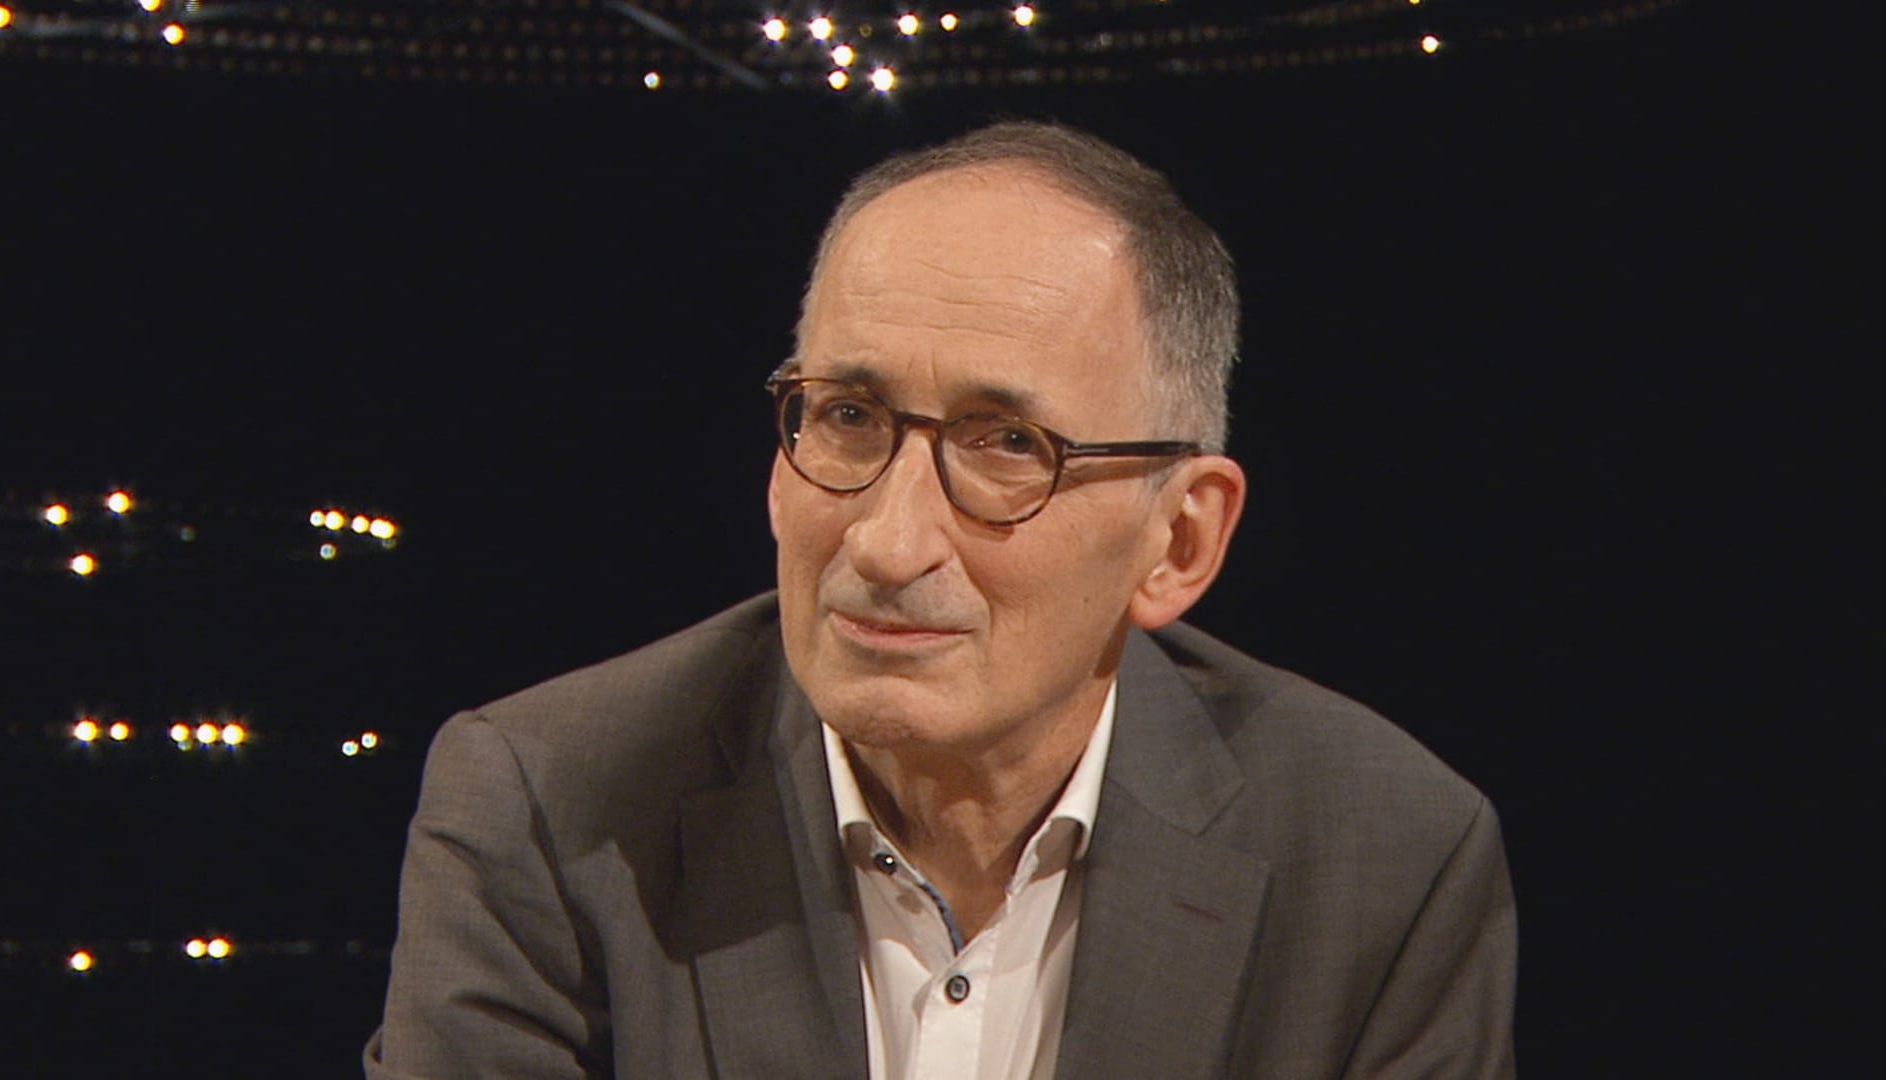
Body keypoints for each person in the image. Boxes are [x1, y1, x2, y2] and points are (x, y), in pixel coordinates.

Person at [365, 121, 1516, 1079]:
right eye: (847, 417)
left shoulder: (1384, 860)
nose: (887, 541)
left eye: (1008, 444)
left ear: (1179, 540)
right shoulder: (549, 805)